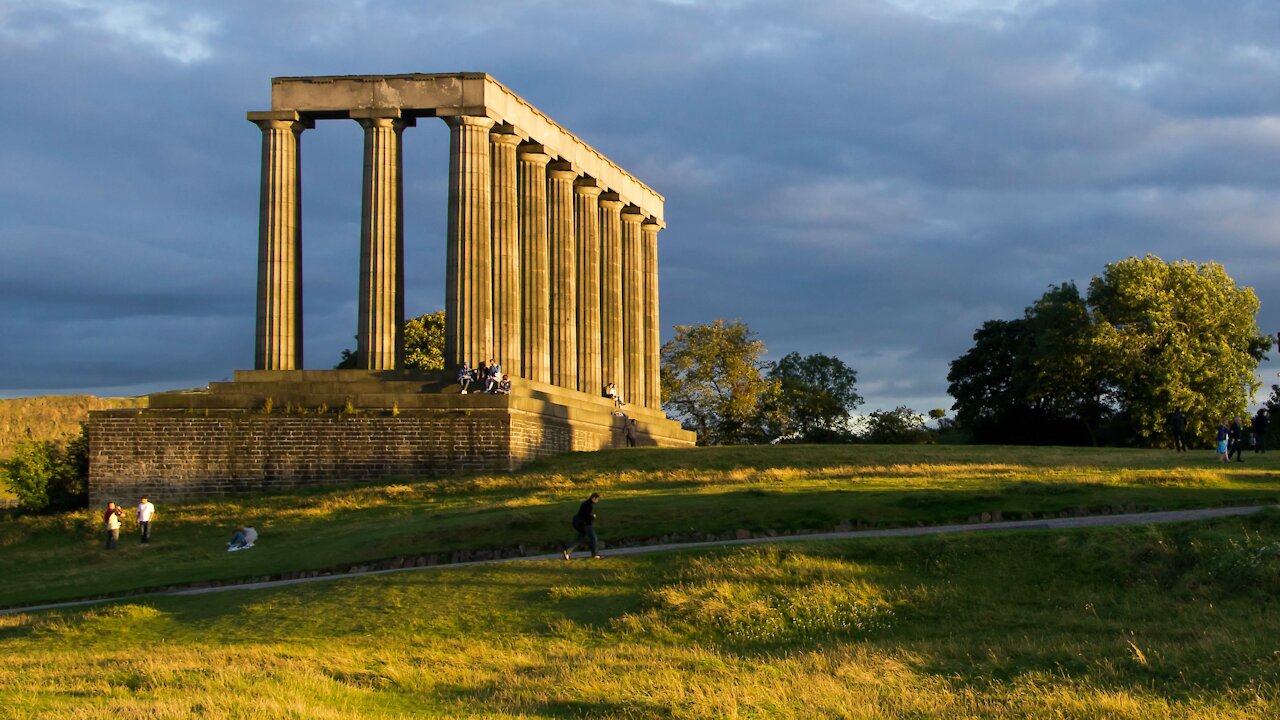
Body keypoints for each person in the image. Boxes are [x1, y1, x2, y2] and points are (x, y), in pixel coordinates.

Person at [562, 493, 601, 560]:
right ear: (593, 498)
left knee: (580, 538)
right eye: (597, 499)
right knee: (593, 538)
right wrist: (592, 517)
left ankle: (567, 551)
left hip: (579, 524)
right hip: (585, 524)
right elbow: (585, 516)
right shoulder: (588, 505)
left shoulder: (585, 503)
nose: (598, 501)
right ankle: (595, 554)